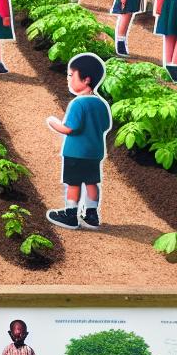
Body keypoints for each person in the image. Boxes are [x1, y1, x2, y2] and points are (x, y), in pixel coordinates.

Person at [46, 53, 112, 232]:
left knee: (73, 183)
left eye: (71, 75)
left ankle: (70, 215)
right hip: (95, 152)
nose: (68, 80)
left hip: (75, 152)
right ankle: (92, 214)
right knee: (91, 182)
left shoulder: (78, 104)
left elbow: (69, 129)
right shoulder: (101, 103)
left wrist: (53, 123)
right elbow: (105, 126)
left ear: (86, 79)